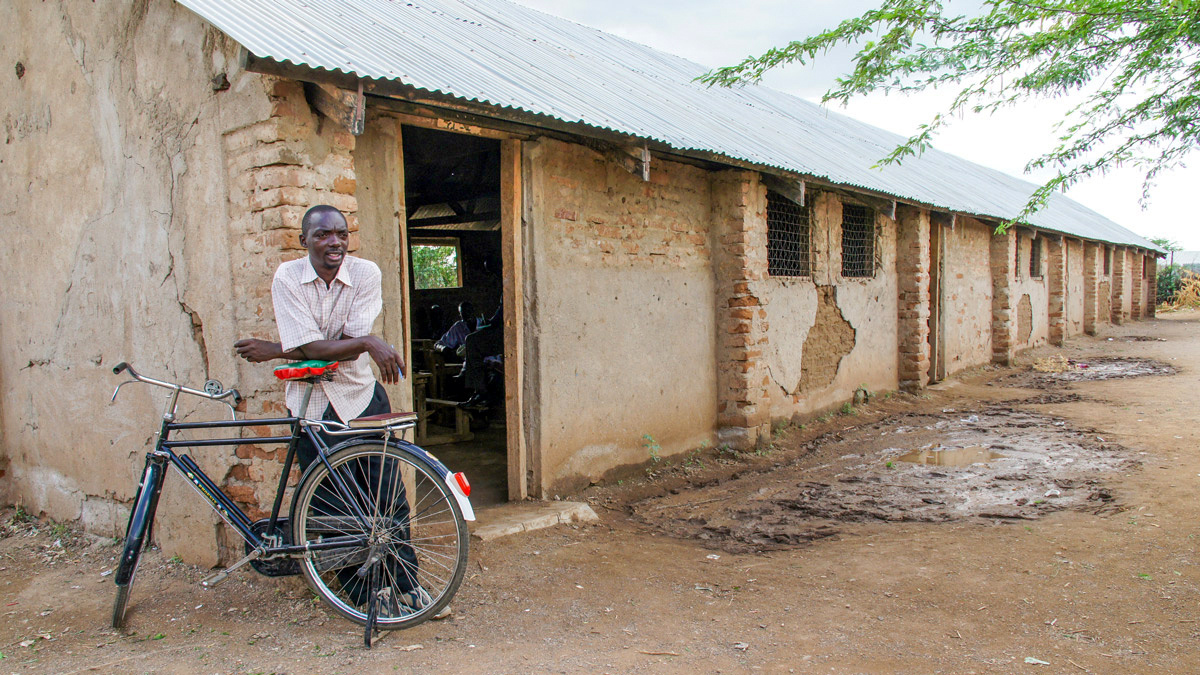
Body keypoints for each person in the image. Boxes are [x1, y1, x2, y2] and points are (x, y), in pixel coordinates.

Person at [233, 205, 427, 614]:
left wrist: (281, 349)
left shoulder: (365, 273)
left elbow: (330, 343)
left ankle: (407, 584)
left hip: (361, 396)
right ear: (304, 241)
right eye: (322, 235)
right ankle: (362, 596)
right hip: (312, 406)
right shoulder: (288, 277)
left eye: (340, 233)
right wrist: (367, 343)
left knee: (386, 494)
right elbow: (319, 348)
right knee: (331, 505)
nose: (334, 242)